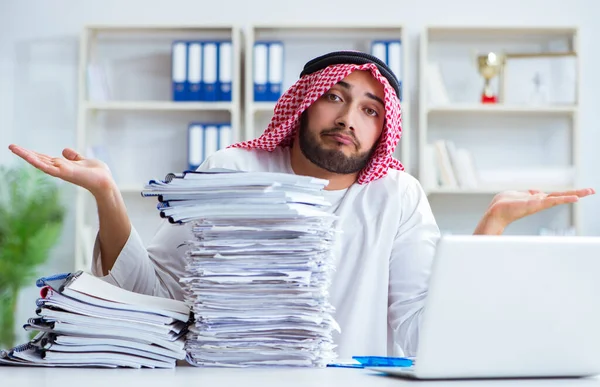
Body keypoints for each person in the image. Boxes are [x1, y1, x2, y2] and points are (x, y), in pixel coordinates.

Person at [8, 51, 594, 358]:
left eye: (370, 110)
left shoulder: (398, 195)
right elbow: (154, 297)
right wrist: (109, 195)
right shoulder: (232, 171)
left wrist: (489, 227)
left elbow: (420, 334)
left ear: (383, 128)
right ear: (302, 106)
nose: (348, 118)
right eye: (334, 98)